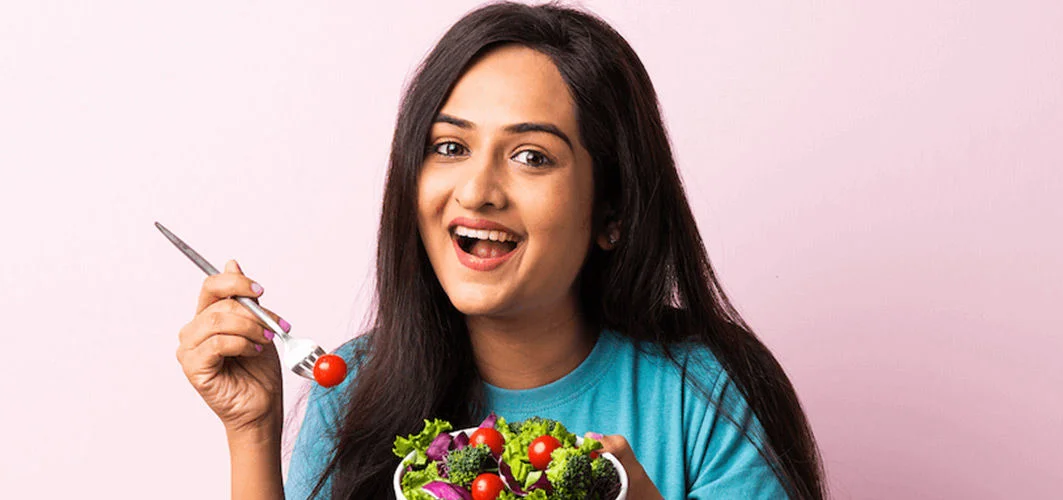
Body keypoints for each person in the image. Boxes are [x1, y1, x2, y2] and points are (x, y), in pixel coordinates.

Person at [175, 2, 825, 499]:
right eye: (450, 147)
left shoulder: (706, 393)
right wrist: (253, 432)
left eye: (531, 156)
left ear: (614, 212)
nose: (477, 191)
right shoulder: (353, 390)